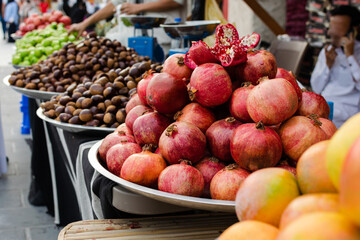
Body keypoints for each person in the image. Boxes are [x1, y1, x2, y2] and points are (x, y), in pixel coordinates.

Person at [69, 0, 187, 52]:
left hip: (165, 38)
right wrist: (84, 24)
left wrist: (138, 7)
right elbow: (114, 4)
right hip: (135, 38)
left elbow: (176, 1)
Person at [310, 5, 360, 128]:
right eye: (331, 28)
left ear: (353, 31)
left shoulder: (357, 53)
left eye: (338, 33)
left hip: (347, 113)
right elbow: (316, 87)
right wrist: (327, 65)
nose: (331, 33)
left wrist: (350, 56)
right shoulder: (328, 52)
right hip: (324, 108)